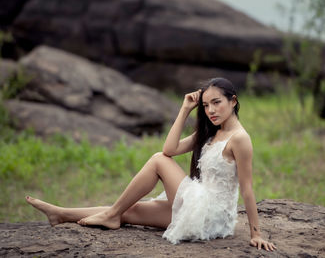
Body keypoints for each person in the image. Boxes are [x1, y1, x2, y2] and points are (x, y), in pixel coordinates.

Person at [26, 77, 277, 251]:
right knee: (132, 211)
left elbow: (247, 189)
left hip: (211, 214)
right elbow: (171, 149)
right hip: (197, 205)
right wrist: (184, 109)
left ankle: (111, 214)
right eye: (206, 105)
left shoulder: (240, 138)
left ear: (233, 101)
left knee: (157, 160)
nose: (211, 110)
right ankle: (61, 214)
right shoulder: (212, 132)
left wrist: (255, 233)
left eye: (217, 102)